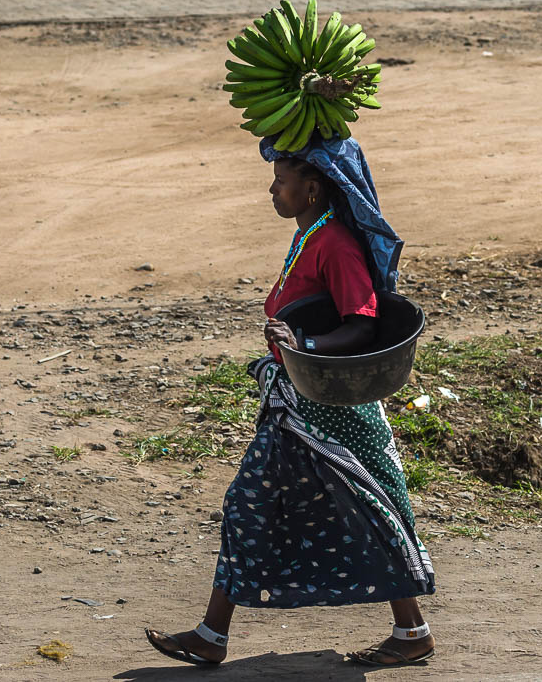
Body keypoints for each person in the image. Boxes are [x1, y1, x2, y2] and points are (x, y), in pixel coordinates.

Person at [144, 133, 436, 668]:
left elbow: (362, 322)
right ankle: (216, 635)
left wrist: (303, 345)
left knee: (362, 507)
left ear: (312, 188)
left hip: (331, 410)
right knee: (321, 507)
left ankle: (410, 630)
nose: (271, 191)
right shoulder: (311, 234)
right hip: (298, 403)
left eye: (280, 182)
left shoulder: (336, 244)